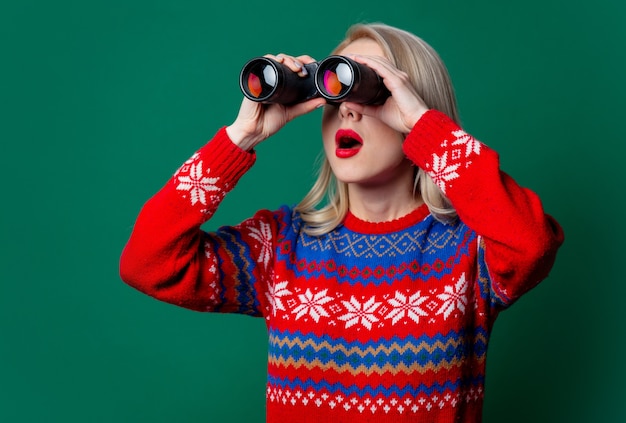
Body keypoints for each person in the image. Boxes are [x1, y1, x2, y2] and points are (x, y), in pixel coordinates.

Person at [119, 22, 564, 423]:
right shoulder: (280, 246)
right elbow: (147, 263)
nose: (347, 110)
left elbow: (532, 244)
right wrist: (241, 136)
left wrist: (426, 126)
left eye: (368, 90)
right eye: (334, 91)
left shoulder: (469, 250)